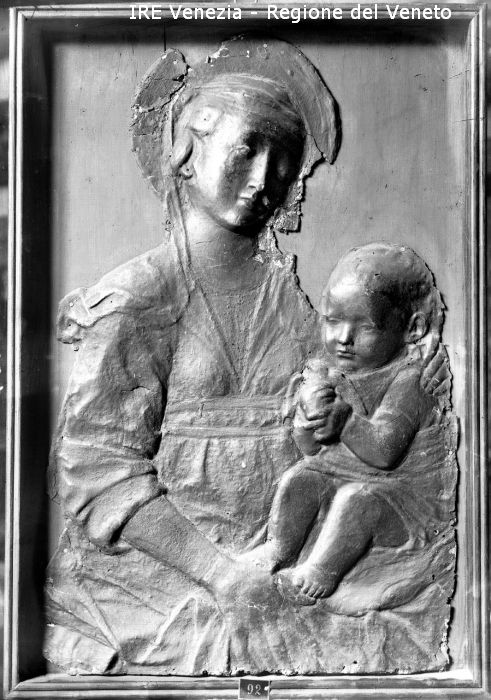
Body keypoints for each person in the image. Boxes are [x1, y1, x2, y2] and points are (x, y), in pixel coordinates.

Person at [45, 37, 453, 676]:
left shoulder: (291, 302)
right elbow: (97, 470)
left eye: (284, 163)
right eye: (247, 149)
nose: (266, 179)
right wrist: (220, 575)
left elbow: (338, 421)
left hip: (286, 555)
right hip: (159, 578)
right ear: (188, 151)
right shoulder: (135, 300)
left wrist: (328, 419)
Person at [245, 243, 450, 603]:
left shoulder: (412, 381)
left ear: (412, 328)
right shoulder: (329, 373)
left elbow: (385, 452)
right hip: (342, 480)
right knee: (301, 478)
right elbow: (311, 450)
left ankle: (320, 572)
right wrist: (307, 427)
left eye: (365, 326)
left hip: (399, 503)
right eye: (333, 321)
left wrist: (347, 422)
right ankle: (279, 548)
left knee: (357, 501)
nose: (343, 338)